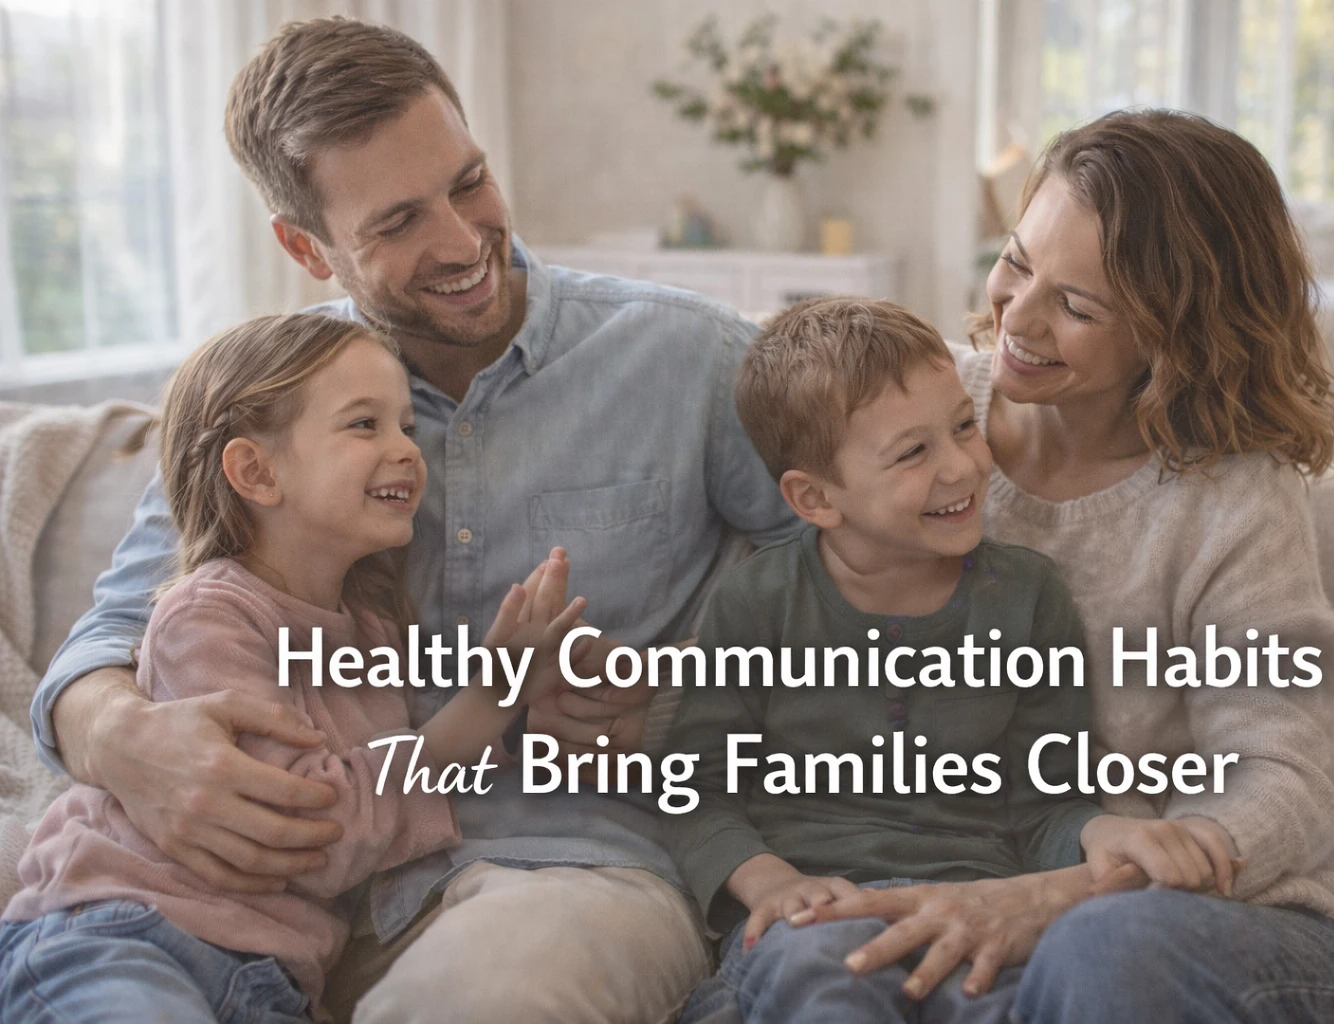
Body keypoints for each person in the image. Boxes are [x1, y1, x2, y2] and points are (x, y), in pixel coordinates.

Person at [29, 17, 796, 1024]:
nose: (462, 240)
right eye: (395, 223)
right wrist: (127, 738)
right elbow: (112, 637)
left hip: (565, 867)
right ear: (306, 247)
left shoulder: (689, 359)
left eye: (468, 181)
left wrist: (666, 707)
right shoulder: (274, 399)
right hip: (280, 911)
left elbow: (852, 594)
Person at [787, 111, 1334, 1021]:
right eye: (1016, 260)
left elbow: (1284, 777)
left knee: (1101, 947)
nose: (1019, 317)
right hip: (982, 899)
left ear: (1179, 335)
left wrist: (1071, 892)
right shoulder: (913, 407)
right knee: (810, 952)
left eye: (1078, 307)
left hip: (1234, 921)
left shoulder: (1230, 495)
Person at [1, 314, 588, 1021]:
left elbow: (392, 785)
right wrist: (488, 699)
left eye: (406, 425)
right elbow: (308, 834)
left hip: (271, 982)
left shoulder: (370, 634)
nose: (407, 451)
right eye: (364, 425)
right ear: (257, 471)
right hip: (122, 934)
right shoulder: (207, 617)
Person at [668, 298, 1236, 1024]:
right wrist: (771, 882)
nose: (963, 466)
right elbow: (694, 793)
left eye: (963, 426)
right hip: (818, 915)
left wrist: (1102, 831)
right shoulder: (758, 602)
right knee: (821, 981)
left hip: (975, 909)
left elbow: (1046, 801)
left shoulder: (1028, 597)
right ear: (815, 498)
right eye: (913, 452)